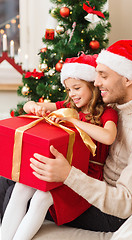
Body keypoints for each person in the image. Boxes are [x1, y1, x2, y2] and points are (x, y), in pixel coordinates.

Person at [27, 40, 132, 232]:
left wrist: (68, 175)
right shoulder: (118, 102)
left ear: (128, 79)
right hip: (94, 185)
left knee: (19, 191)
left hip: (110, 213)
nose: (96, 82)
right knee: (15, 180)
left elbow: (125, 203)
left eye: (103, 76)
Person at [1, 54, 119, 240]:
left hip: (85, 176)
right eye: (68, 89)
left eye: (77, 88)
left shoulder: (107, 112)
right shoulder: (67, 106)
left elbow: (109, 137)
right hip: (60, 169)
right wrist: (35, 107)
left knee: (42, 197)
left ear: (92, 85)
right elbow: (28, 106)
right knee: (21, 187)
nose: (72, 94)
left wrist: (73, 120)